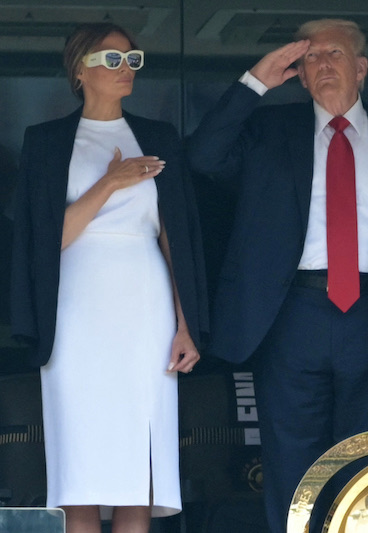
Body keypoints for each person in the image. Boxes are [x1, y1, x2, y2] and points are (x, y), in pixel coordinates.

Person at [186, 18, 368, 532]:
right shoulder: (269, 131)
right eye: (311, 58)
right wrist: (254, 80)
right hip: (291, 315)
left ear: (361, 68)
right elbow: (203, 155)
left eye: (335, 54)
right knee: (292, 468)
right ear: (298, 75)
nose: (323, 64)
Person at [10, 22, 207, 533]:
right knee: (81, 471)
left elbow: (175, 237)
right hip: (74, 306)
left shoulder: (158, 137)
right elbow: (45, 239)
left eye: (131, 59)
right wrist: (110, 183)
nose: (126, 69)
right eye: (112, 60)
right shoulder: (47, 141)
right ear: (80, 71)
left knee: (135, 474)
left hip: (145, 302)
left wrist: (186, 325)